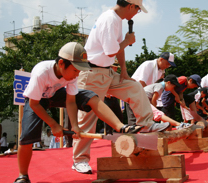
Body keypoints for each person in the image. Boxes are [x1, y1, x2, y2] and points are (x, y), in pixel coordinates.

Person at [13, 42, 141, 183]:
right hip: (37, 100)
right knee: (26, 137)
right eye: (75, 70)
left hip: (55, 93)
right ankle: (23, 176)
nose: (77, 74)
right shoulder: (42, 72)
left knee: (91, 96)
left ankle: (120, 126)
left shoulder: (72, 76)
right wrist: (54, 124)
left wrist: (75, 126)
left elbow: (71, 101)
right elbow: (34, 104)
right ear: (61, 63)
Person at [73, 0, 170, 174]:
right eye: (138, 9)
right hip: (92, 74)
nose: (138, 13)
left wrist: (124, 71)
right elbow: (112, 50)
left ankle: (147, 124)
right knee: (87, 119)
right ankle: (79, 160)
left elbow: (119, 49)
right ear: (131, 6)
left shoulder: (117, 20)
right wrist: (127, 40)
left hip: (107, 72)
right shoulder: (110, 20)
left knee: (133, 87)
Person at [127, 52, 176, 125]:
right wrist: (146, 99)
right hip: (134, 93)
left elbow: (154, 87)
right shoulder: (148, 64)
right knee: (134, 119)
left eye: (169, 65)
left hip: (143, 94)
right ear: (161, 59)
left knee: (143, 119)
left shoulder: (161, 71)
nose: (168, 66)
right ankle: (132, 135)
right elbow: (142, 82)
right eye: (167, 64)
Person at [103, 60, 124, 134]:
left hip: (114, 98)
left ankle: (118, 132)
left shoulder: (117, 75)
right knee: (108, 117)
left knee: (119, 116)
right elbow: (102, 85)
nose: (116, 69)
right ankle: (109, 134)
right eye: (115, 67)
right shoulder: (105, 74)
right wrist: (106, 92)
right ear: (111, 67)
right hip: (106, 98)